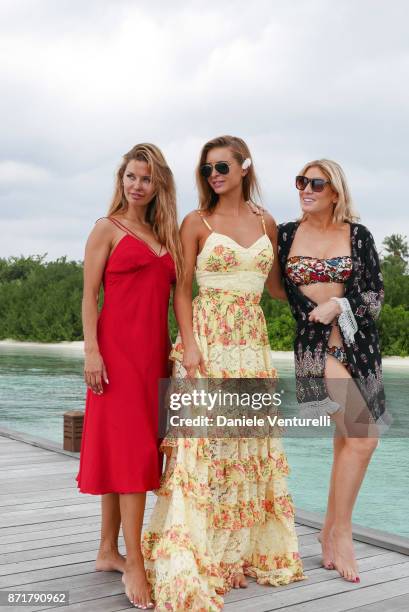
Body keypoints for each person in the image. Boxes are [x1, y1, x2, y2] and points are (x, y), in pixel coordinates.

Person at [143, 135, 304, 610]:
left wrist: (329, 292)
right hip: (208, 341)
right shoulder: (196, 222)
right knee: (204, 449)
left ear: (243, 168)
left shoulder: (267, 223)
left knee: (242, 447)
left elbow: (276, 288)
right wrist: (189, 346)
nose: (214, 175)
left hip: (251, 346)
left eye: (222, 168)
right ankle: (201, 553)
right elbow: (182, 290)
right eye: (208, 169)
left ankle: (235, 555)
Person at [76, 143, 182, 609]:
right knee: (133, 452)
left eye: (146, 178)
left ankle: (106, 551)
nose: (137, 185)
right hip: (115, 356)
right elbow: (88, 296)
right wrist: (92, 352)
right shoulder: (107, 228)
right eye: (131, 176)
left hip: (154, 357)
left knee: (128, 450)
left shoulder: (164, 233)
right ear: (121, 180)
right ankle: (134, 563)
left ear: (158, 184)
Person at [277, 159, 388, 584]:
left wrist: (339, 304)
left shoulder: (357, 236)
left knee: (350, 441)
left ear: (336, 192)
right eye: (301, 181)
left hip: (362, 349)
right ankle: (341, 533)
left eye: (316, 183)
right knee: (364, 438)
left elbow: (374, 296)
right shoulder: (285, 234)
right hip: (313, 351)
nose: (306, 189)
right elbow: (268, 280)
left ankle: (330, 530)